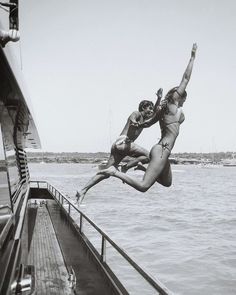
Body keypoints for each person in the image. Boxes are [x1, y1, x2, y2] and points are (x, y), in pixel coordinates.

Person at [98, 43, 197, 192]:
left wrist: (141, 124)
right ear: (177, 97)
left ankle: (142, 168)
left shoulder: (169, 112)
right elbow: (185, 79)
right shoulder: (171, 105)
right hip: (161, 151)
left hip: (163, 152)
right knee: (144, 186)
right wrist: (192, 57)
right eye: (183, 98)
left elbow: (149, 123)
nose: (184, 101)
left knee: (167, 182)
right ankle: (115, 172)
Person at [76, 89, 163, 204]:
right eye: (149, 108)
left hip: (118, 146)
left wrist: (159, 99)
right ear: (143, 108)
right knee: (149, 156)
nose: (151, 111)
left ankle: (83, 190)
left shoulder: (146, 119)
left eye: (152, 109)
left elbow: (155, 112)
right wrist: (134, 122)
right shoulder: (137, 113)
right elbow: (132, 117)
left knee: (106, 173)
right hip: (124, 143)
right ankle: (126, 167)